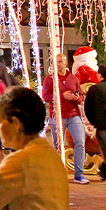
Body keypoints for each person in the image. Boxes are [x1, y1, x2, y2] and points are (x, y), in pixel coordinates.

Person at [41, 53, 87, 184]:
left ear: (66, 63)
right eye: (56, 62)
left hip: (73, 114)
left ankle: (79, 174)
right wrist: (62, 96)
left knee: (80, 142)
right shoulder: (49, 79)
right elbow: (45, 96)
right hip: (57, 116)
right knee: (58, 144)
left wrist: (76, 98)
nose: (58, 64)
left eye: (60, 61)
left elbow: (81, 97)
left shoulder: (73, 79)